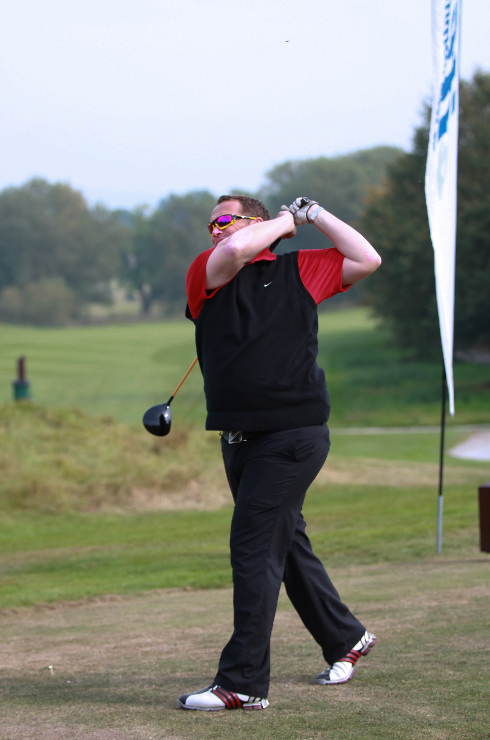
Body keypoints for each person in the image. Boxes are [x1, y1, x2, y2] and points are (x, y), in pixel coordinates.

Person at [179, 194, 382, 712]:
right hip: (237, 437)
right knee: (285, 543)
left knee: (253, 549)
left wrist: (313, 215)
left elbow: (366, 258)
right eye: (211, 223)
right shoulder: (207, 271)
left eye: (226, 219)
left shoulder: (300, 270)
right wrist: (286, 222)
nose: (216, 230)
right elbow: (236, 250)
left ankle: (243, 683)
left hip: (293, 435)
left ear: (256, 220)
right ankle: (346, 637)